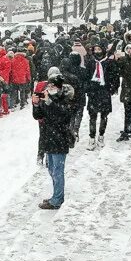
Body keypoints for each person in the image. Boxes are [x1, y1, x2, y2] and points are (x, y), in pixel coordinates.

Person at [33, 74, 74, 209]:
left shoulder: (64, 99)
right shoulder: (47, 99)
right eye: (48, 86)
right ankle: (56, 195)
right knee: (51, 169)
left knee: (57, 170)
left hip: (60, 139)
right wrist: (37, 105)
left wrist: (49, 103)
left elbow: (63, 116)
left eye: (53, 86)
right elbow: (38, 116)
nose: (49, 88)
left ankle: (57, 199)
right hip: (48, 138)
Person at [83, 42, 117, 150]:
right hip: (93, 93)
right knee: (92, 117)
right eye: (95, 49)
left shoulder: (109, 63)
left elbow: (114, 77)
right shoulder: (90, 62)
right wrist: (88, 89)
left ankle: (101, 136)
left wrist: (111, 89)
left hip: (105, 92)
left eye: (99, 49)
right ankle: (92, 138)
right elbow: (86, 77)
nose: (97, 51)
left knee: (104, 116)